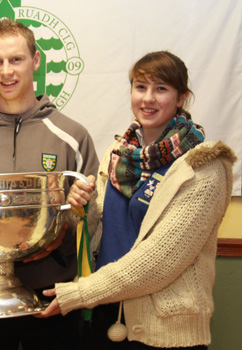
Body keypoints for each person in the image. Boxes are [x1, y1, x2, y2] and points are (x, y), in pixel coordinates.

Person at [39, 51, 236, 349]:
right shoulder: (117, 154)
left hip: (167, 332)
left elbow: (161, 260)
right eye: (140, 87)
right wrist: (82, 206)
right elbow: (98, 233)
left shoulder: (204, 165)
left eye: (161, 89)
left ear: (181, 97)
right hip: (106, 314)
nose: (148, 99)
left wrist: (79, 294)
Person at [0, 18, 99, 350]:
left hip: (51, 297)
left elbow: (91, 222)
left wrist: (77, 213)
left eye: (16, 59)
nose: (6, 71)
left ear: (36, 60)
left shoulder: (72, 136)